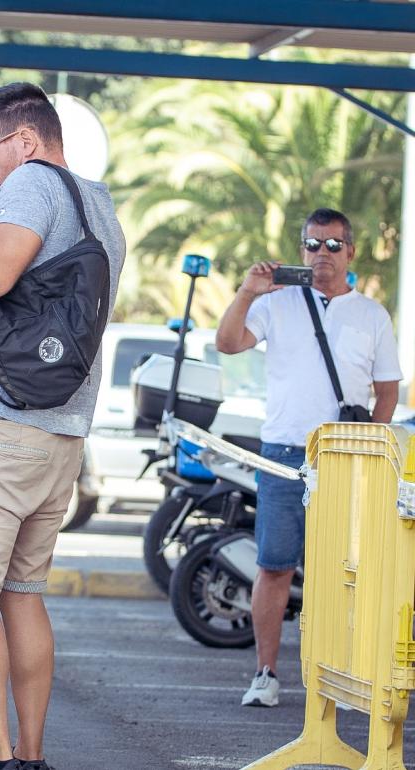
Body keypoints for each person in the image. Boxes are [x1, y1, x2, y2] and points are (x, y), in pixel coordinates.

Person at [0, 82, 126, 770]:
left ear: (26, 140)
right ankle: (30, 758)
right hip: (61, 433)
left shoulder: (33, 183)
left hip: (1, 428)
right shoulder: (96, 202)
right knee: (22, 591)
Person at [216, 207, 400, 708]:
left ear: (351, 252)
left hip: (345, 459)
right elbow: (228, 343)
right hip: (282, 454)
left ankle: (340, 677)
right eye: (313, 245)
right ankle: (265, 673)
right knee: (274, 566)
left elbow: (387, 387)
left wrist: (371, 441)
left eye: (334, 245)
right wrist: (248, 291)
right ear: (301, 250)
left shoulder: (371, 314)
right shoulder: (278, 304)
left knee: (345, 571)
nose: (323, 254)